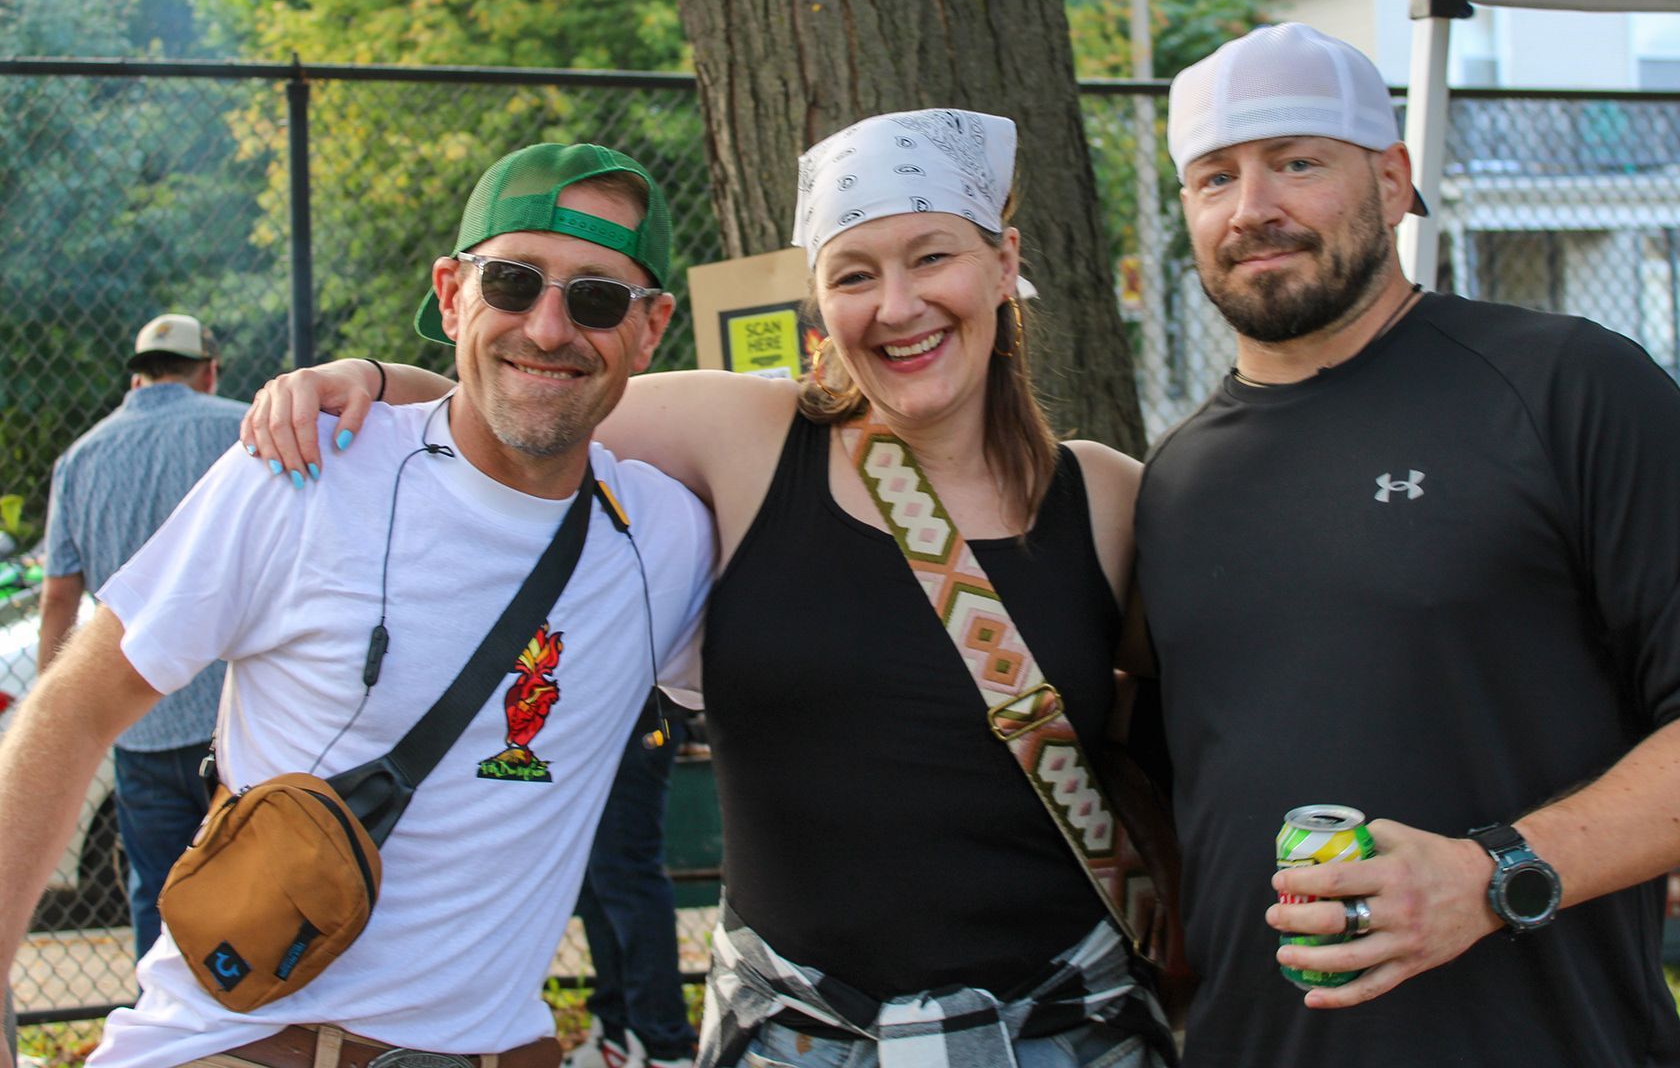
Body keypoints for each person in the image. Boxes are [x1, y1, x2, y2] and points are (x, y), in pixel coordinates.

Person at [240, 108, 1175, 1068]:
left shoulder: (1107, 500)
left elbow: (1233, 713)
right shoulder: (749, 438)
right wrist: (363, 377)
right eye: (855, 274)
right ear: (819, 302)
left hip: (1067, 1027)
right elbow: (527, 396)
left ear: (1001, 260)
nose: (896, 307)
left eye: (931, 258)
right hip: (795, 1032)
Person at [1133, 23, 1680, 1067]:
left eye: (1299, 162)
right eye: (1213, 176)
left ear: (1396, 177)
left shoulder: (1565, 386)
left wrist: (1493, 874)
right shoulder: (1175, 479)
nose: (1252, 208)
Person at [0, 142, 713, 1068]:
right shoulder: (307, 469)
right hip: (243, 1047)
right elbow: (76, 702)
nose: (547, 327)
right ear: (452, 294)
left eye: (597, 298)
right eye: (511, 282)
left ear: (650, 326)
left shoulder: (664, 539)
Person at [39, 313, 250, 957]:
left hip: (140, 724)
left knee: (157, 898)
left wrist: (61, 716)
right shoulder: (242, 428)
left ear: (137, 374)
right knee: (256, 889)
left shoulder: (79, 459)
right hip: (238, 716)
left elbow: (57, 599)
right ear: (208, 370)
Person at [567, 698, 697, 1068]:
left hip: (643, 712)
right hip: (595, 710)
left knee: (626, 871)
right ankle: (617, 1035)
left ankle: (664, 1046)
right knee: (598, 877)